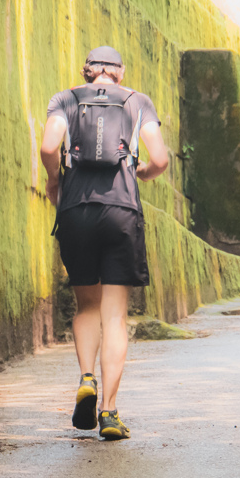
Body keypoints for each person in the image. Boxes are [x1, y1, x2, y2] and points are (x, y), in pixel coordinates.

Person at [40, 46, 168, 440]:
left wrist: (54, 179)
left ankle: (86, 378)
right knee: (114, 314)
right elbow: (160, 160)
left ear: (88, 71)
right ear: (119, 72)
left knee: (86, 305)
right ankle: (110, 412)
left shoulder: (65, 98)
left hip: (76, 210)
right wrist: (141, 171)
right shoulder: (137, 102)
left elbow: (48, 147)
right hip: (121, 212)